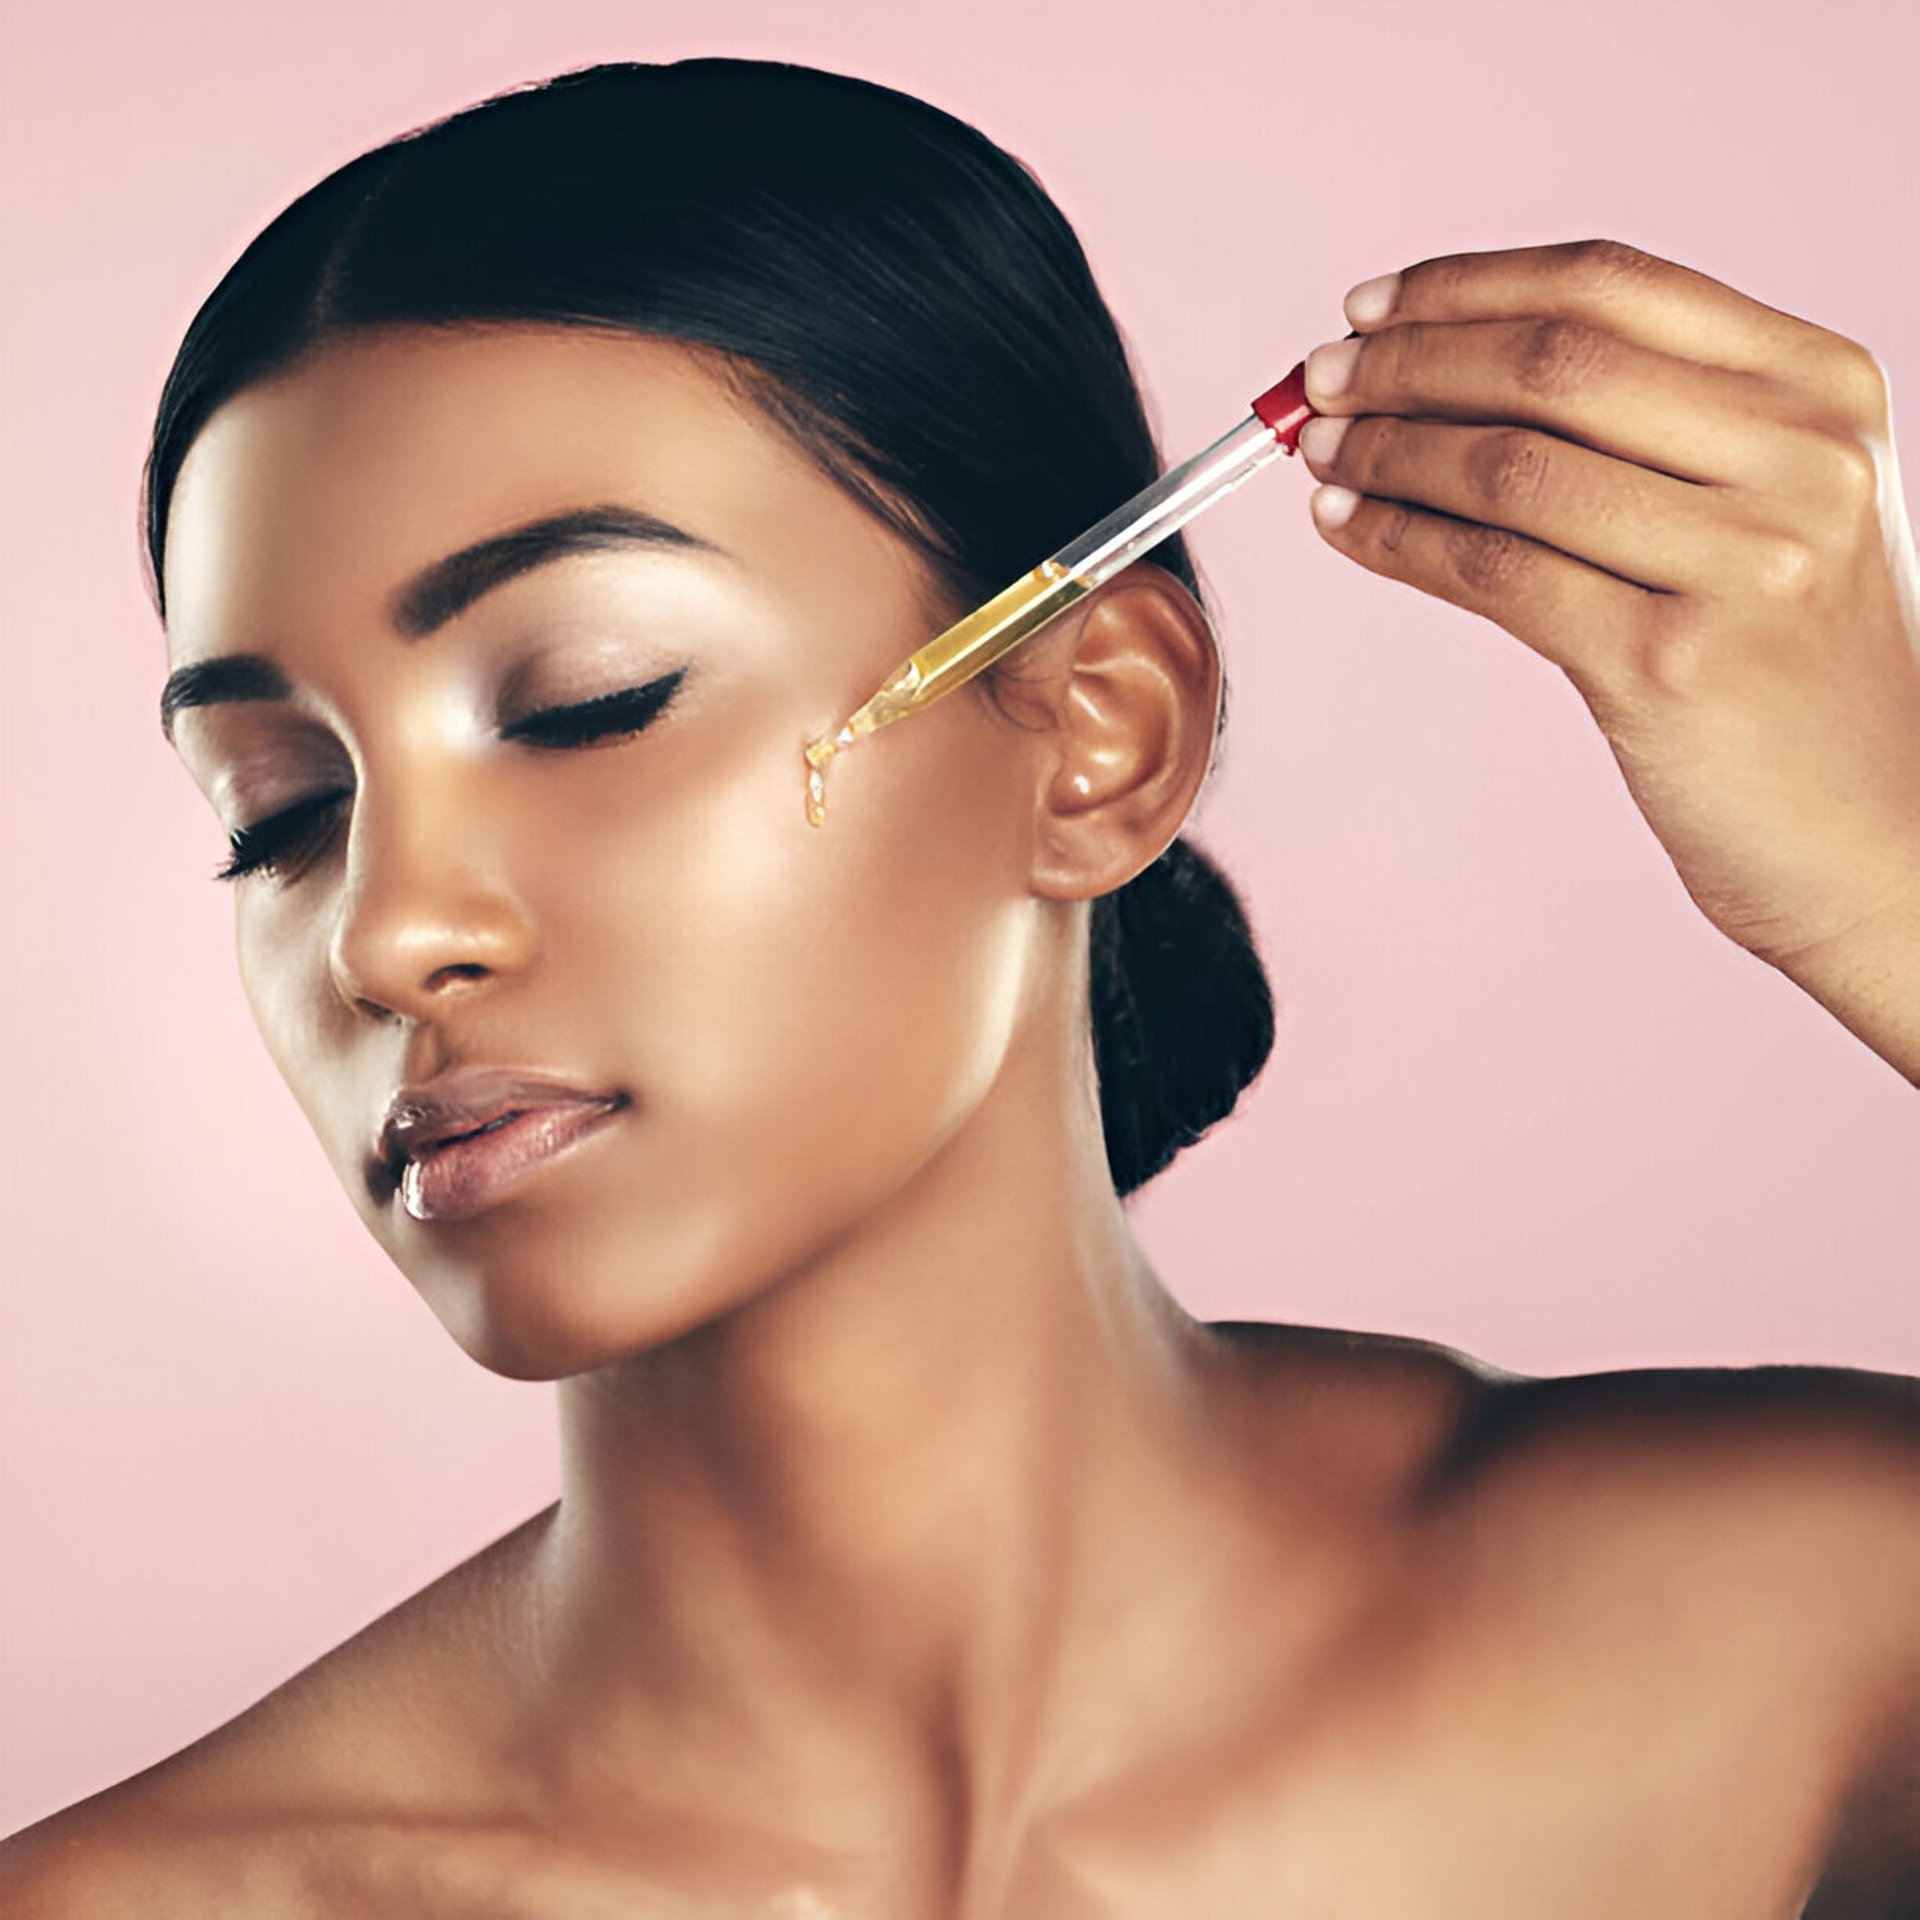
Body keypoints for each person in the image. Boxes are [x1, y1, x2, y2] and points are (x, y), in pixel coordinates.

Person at [4, 55, 1916, 1917]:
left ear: (1100, 733)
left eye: (589, 698)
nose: (385, 932)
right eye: (281, 813)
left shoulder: (1808, 1638)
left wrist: (1894, 891)